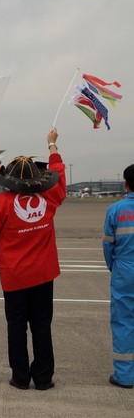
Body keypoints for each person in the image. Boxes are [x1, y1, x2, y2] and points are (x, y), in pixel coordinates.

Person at [0, 128, 65, 391]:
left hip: (14, 275)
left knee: (16, 326)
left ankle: (20, 377)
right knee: (42, 326)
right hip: (44, 273)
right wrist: (52, 146)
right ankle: (43, 378)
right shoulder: (49, 196)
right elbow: (60, 175)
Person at [102, 164, 134, 389]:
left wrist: (114, 266)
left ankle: (124, 376)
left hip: (125, 270)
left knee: (123, 322)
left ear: (126, 184)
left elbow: (108, 245)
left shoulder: (116, 209)